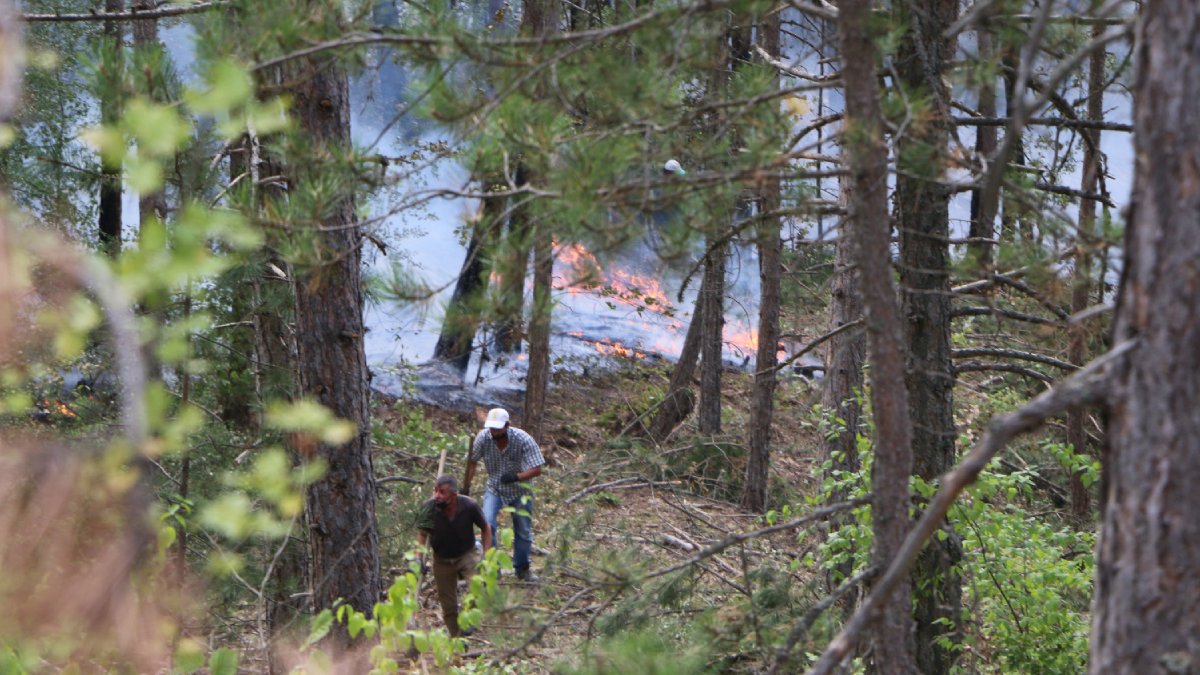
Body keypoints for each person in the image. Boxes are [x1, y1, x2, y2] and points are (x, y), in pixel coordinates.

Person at [462, 407, 545, 582]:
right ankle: (493, 568)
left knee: (523, 530)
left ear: (507, 426)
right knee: (488, 525)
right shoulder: (483, 438)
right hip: (495, 488)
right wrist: (466, 487)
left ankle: (522, 568)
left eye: (498, 429)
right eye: (492, 429)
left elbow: (537, 469)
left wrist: (517, 476)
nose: (494, 433)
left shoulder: (523, 439)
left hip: (520, 490)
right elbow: (472, 462)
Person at [416, 475, 491, 637]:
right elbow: (422, 535)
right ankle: (456, 636)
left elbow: (486, 528)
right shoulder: (429, 507)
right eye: (435, 491)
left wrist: (486, 555)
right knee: (448, 605)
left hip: (467, 554)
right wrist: (418, 558)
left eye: (442, 492)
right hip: (441, 559)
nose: (437, 495)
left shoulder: (470, 505)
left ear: (454, 495)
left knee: (478, 589)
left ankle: (470, 620)